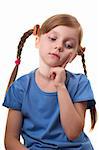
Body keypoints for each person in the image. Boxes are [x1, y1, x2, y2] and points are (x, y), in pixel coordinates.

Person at [3, 14, 97, 150]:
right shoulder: (20, 87)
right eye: (53, 38)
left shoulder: (80, 84)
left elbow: (73, 133)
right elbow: (10, 140)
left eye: (68, 45)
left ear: (73, 56)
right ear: (38, 41)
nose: (59, 46)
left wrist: (60, 86)